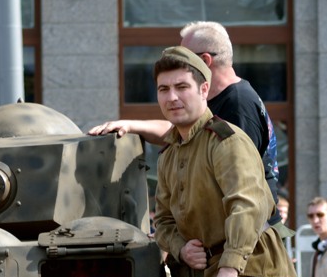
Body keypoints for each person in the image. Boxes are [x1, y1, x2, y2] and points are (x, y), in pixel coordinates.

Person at [148, 45, 292, 277]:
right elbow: (162, 221)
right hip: (209, 268)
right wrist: (180, 249)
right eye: (164, 89)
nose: (172, 97)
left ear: (203, 88)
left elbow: (249, 205)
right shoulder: (170, 155)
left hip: (250, 263)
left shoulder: (225, 140)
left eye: (182, 86)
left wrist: (230, 267)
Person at [89, 21, 280, 200]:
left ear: (205, 61)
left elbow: (240, 192)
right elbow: (180, 133)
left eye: (183, 58)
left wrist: (210, 237)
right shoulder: (222, 99)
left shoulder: (238, 105)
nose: (176, 66)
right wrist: (131, 125)